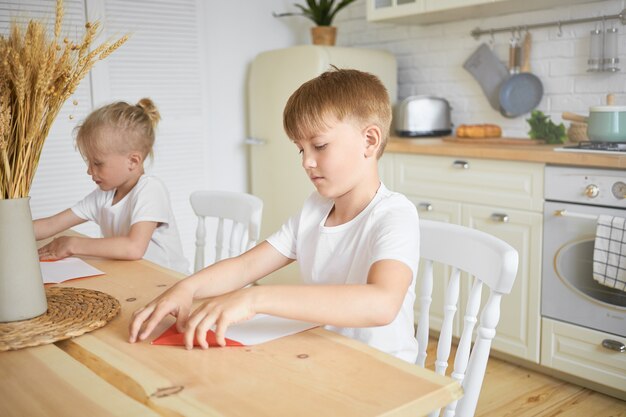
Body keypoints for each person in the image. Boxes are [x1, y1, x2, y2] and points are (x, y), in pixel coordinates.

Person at [128, 69, 420, 362]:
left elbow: (382, 303)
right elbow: (244, 268)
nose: (307, 161)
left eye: (319, 146)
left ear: (369, 140)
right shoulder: (314, 210)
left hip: (383, 371)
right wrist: (186, 288)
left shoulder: (394, 215)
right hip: (326, 355)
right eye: (300, 149)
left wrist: (255, 298)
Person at [34, 98, 189, 275]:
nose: (89, 171)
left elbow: (134, 248)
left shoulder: (150, 189)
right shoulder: (103, 196)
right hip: (133, 279)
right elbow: (50, 224)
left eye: (97, 163)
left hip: (169, 284)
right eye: (89, 162)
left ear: (133, 161)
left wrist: (72, 244)